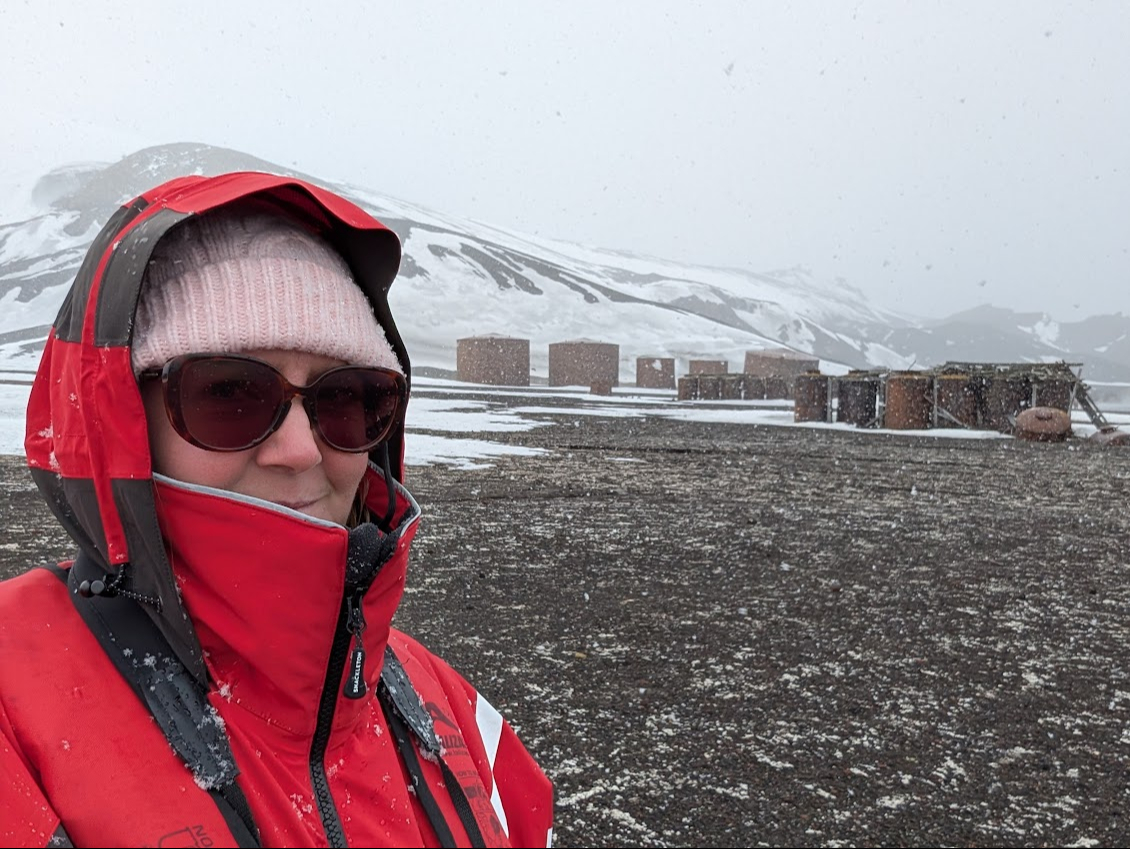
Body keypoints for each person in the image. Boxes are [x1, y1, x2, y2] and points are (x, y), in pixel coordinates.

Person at [0, 172, 554, 848]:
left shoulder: (455, 717)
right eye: (230, 392)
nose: (300, 449)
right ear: (120, 422)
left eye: (347, 398)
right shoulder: (14, 703)